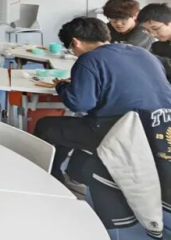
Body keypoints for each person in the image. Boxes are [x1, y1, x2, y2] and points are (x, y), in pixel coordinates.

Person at [35, 17, 171, 187]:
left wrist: (62, 86)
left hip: (124, 131)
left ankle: (49, 180)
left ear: (75, 42)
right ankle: (75, 176)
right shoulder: (143, 53)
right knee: (75, 127)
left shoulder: (89, 59)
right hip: (162, 127)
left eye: (71, 48)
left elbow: (79, 104)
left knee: (47, 126)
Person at [138, 3, 171, 82]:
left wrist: (149, 57)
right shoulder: (157, 46)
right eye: (147, 31)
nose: (152, 35)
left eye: (155, 28)